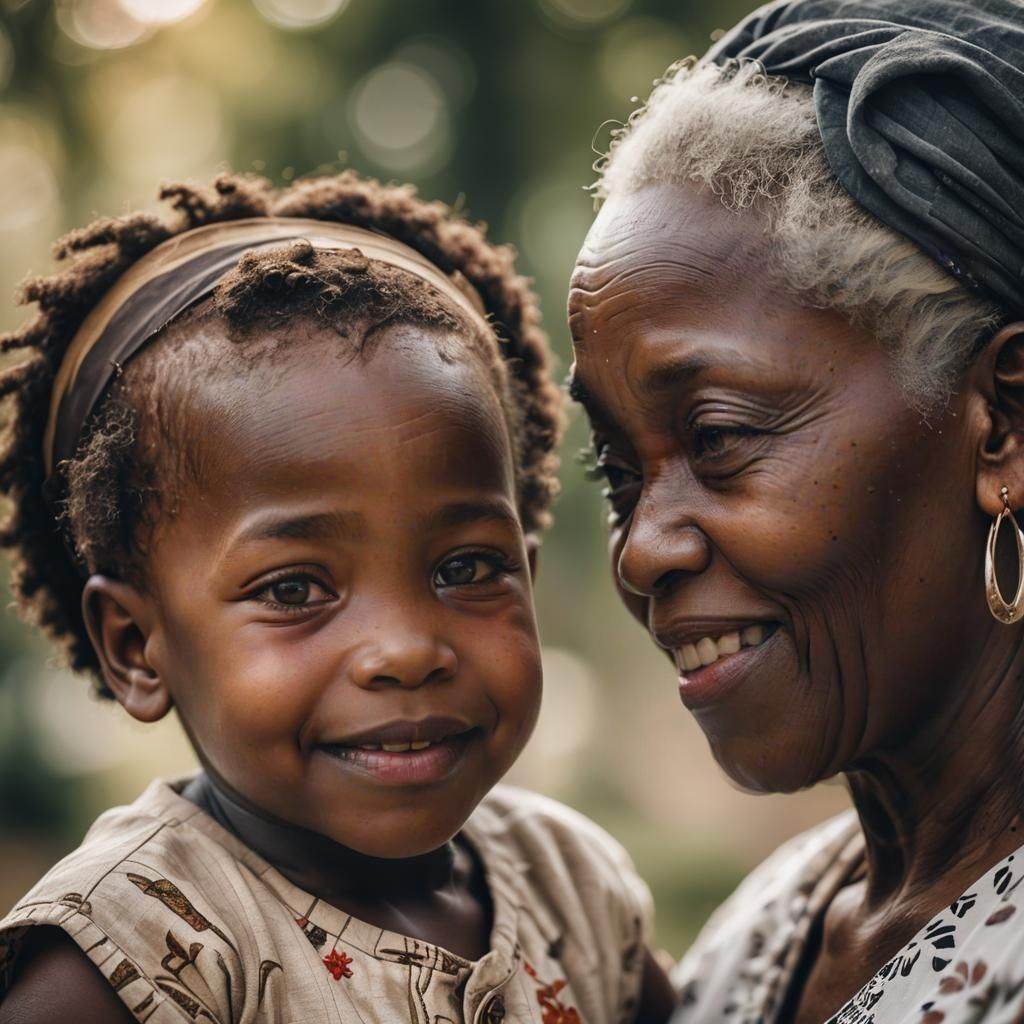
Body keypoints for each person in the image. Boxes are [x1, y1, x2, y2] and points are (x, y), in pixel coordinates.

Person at [0, 172, 675, 1024]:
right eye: (294, 588)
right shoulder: (124, 959)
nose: (405, 649)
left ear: (527, 575)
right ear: (137, 645)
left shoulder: (576, 887)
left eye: (465, 568)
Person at [568, 0, 1024, 1021]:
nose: (641, 550)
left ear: (1003, 424)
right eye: (615, 473)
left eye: (718, 437)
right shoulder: (756, 937)